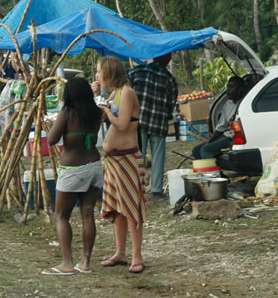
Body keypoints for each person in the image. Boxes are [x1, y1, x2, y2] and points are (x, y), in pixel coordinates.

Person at [42, 78, 103, 276]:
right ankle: (85, 262)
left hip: (73, 168)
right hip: (94, 165)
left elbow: (52, 139)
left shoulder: (67, 112)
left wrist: (53, 125)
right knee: (87, 213)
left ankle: (67, 263)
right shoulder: (96, 112)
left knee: (62, 215)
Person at [96, 56, 146, 274]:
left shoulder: (126, 93)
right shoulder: (114, 93)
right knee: (117, 209)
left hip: (127, 159)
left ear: (109, 72)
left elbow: (123, 125)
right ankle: (120, 252)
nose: (97, 75)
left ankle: (137, 255)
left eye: (99, 71)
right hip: (114, 160)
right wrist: (97, 99)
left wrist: (107, 111)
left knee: (131, 208)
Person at [127, 53, 178, 200]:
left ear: (154, 57)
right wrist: (166, 115)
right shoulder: (170, 79)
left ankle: (137, 189)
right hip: (158, 122)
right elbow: (171, 103)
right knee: (158, 156)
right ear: (168, 62)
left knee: (138, 156)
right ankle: (156, 190)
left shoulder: (137, 71)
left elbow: (125, 88)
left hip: (138, 121)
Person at [192, 76, 246, 159]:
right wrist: (210, 141)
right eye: (227, 86)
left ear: (240, 90)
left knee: (206, 150)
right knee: (196, 150)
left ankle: (213, 171)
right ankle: (205, 169)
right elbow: (221, 126)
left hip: (233, 138)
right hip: (225, 136)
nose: (228, 90)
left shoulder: (245, 104)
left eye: (231, 87)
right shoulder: (228, 104)